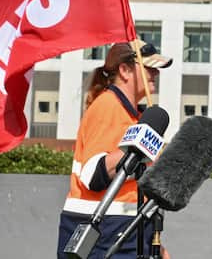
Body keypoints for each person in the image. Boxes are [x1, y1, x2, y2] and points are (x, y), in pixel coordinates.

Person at [56, 39, 173, 259]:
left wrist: (154, 243)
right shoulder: (108, 106)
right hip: (103, 231)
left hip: (123, 228)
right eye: (147, 67)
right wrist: (140, 150)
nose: (155, 74)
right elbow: (92, 174)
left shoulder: (135, 116)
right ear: (125, 70)